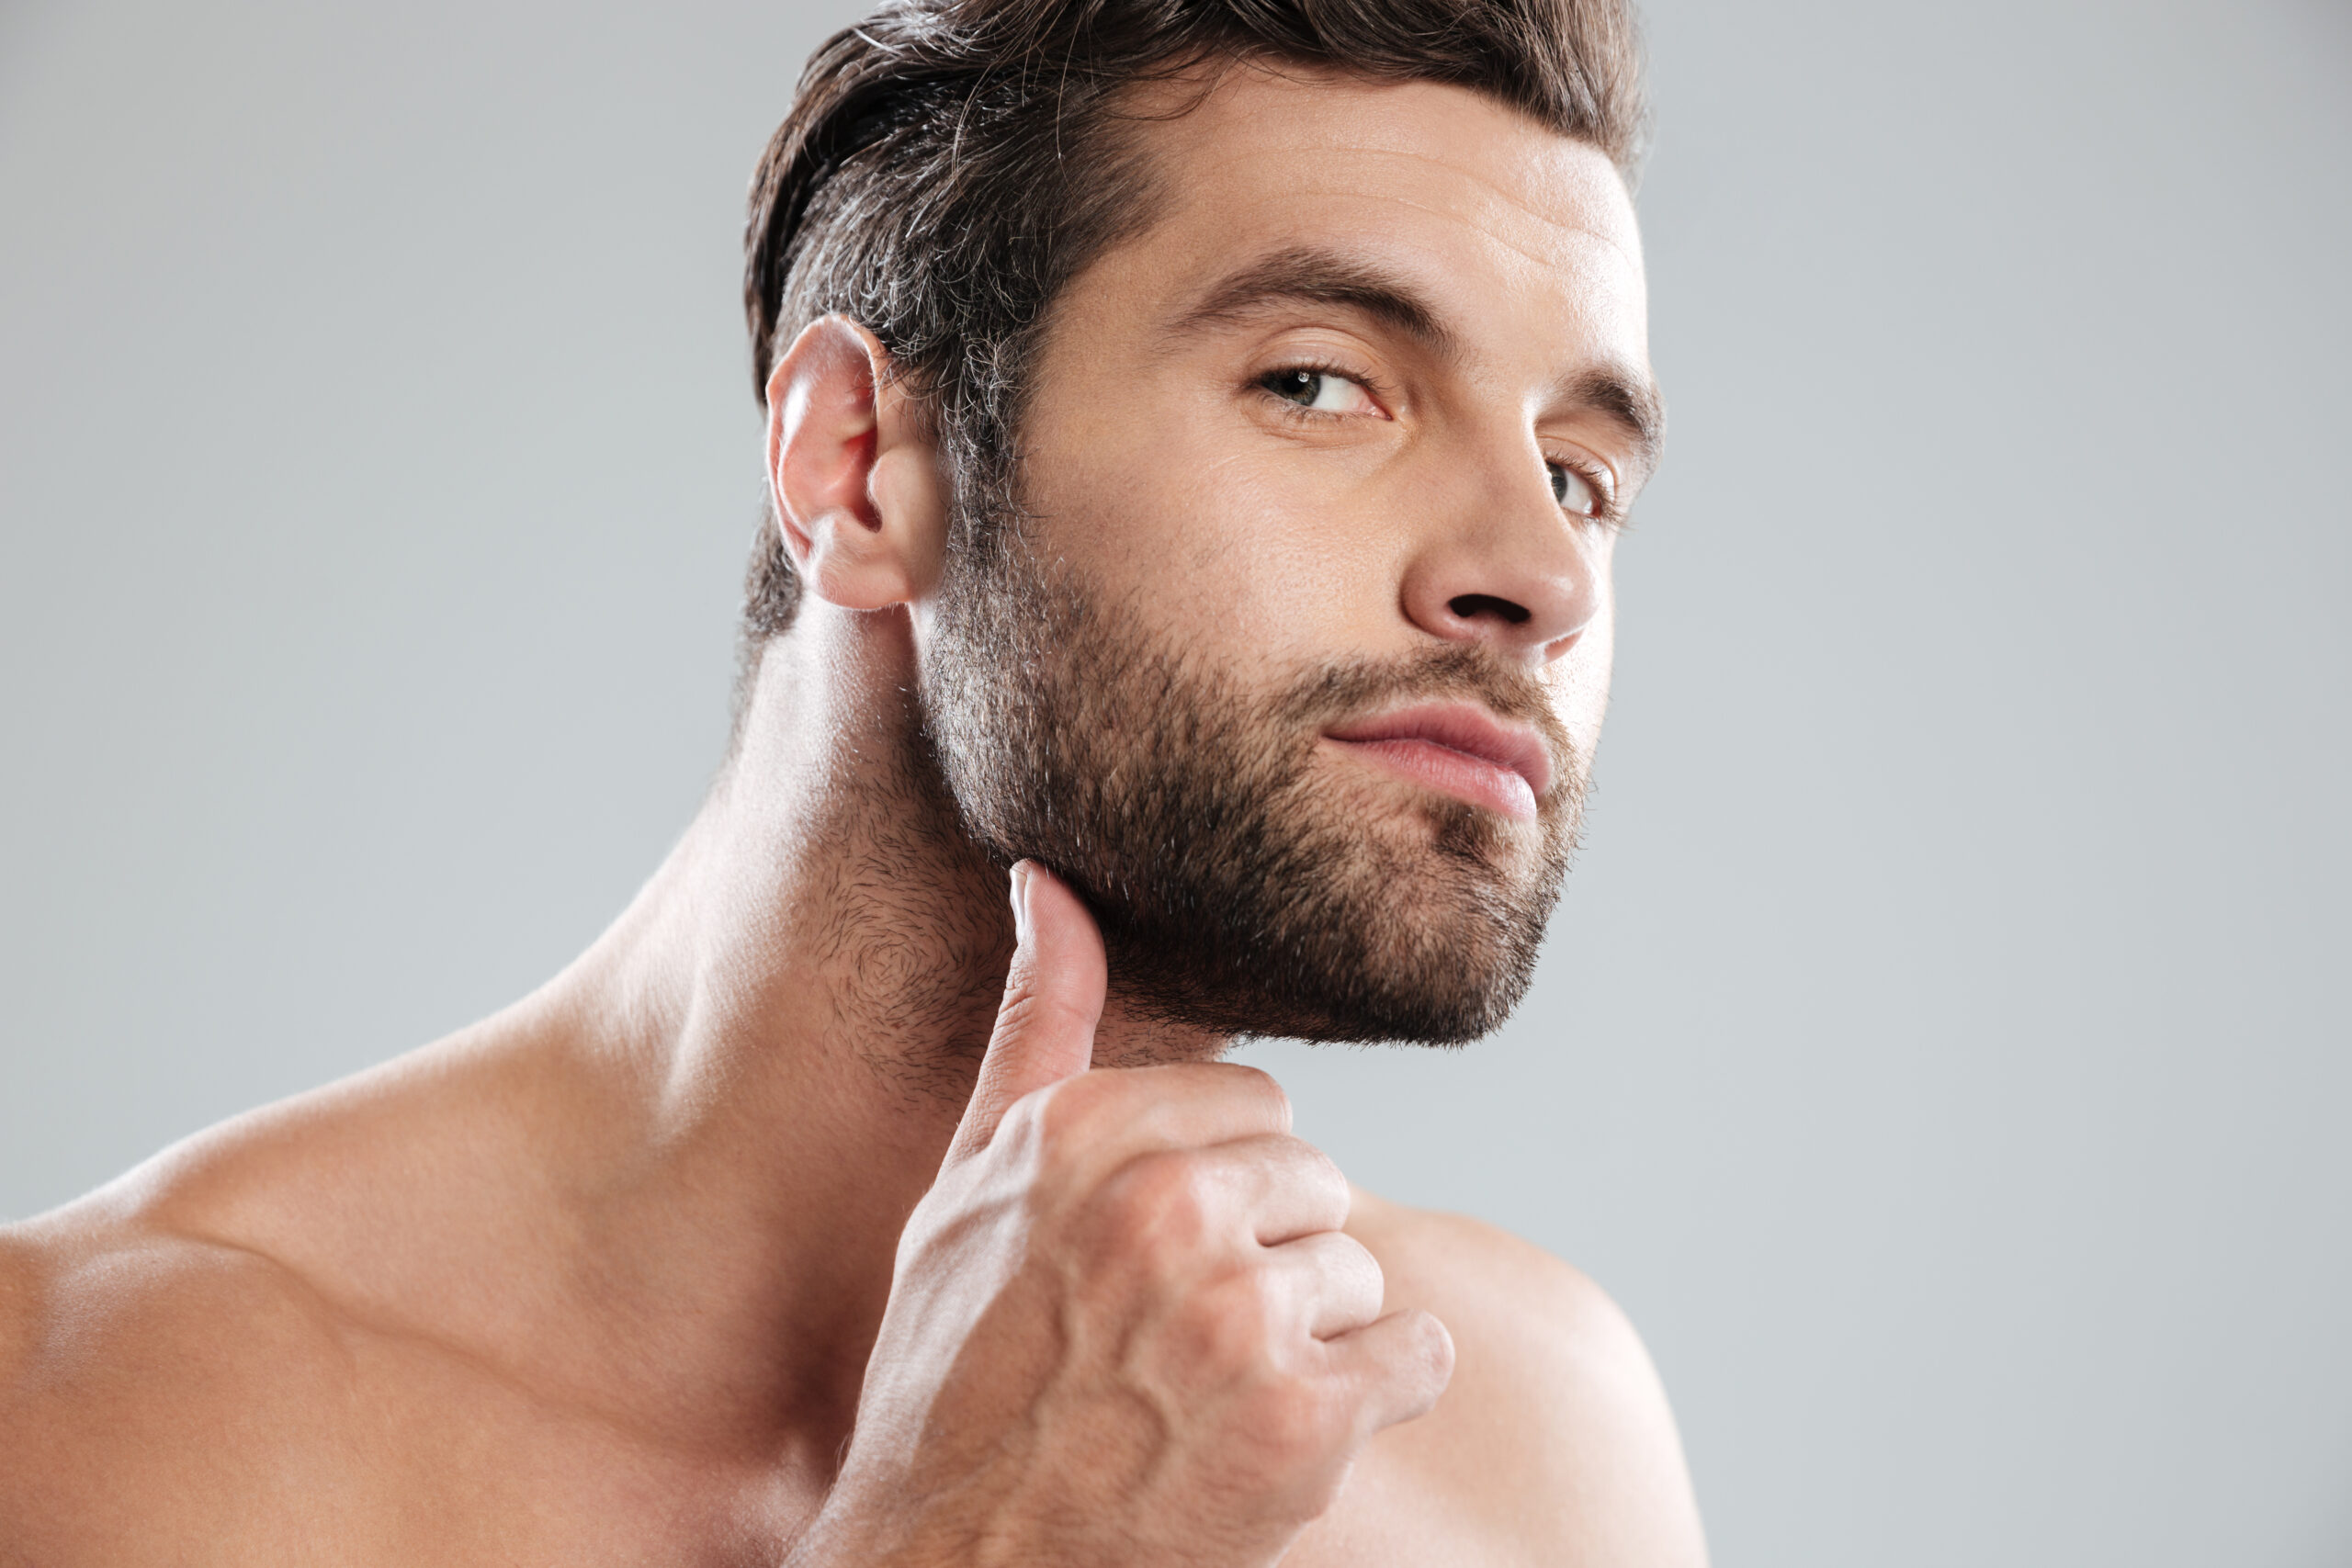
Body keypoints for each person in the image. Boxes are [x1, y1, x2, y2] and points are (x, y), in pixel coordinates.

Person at [0, 0, 1708, 1559]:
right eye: (1320, 385)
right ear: (859, 465)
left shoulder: (1527, 1447)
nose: (1540, 577)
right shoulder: (93, 1420)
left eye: (1580, 476)